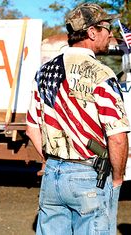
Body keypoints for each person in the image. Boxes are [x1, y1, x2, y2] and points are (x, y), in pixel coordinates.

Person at [26, 3, 130, 234]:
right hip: (88, 175)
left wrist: (53, 162)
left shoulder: (43, 72)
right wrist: (118, 179)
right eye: (107, 28)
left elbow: (32, 128)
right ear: (92, 32)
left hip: (52, 175)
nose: (110, 34)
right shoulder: (102, 74)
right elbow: (117, 136)